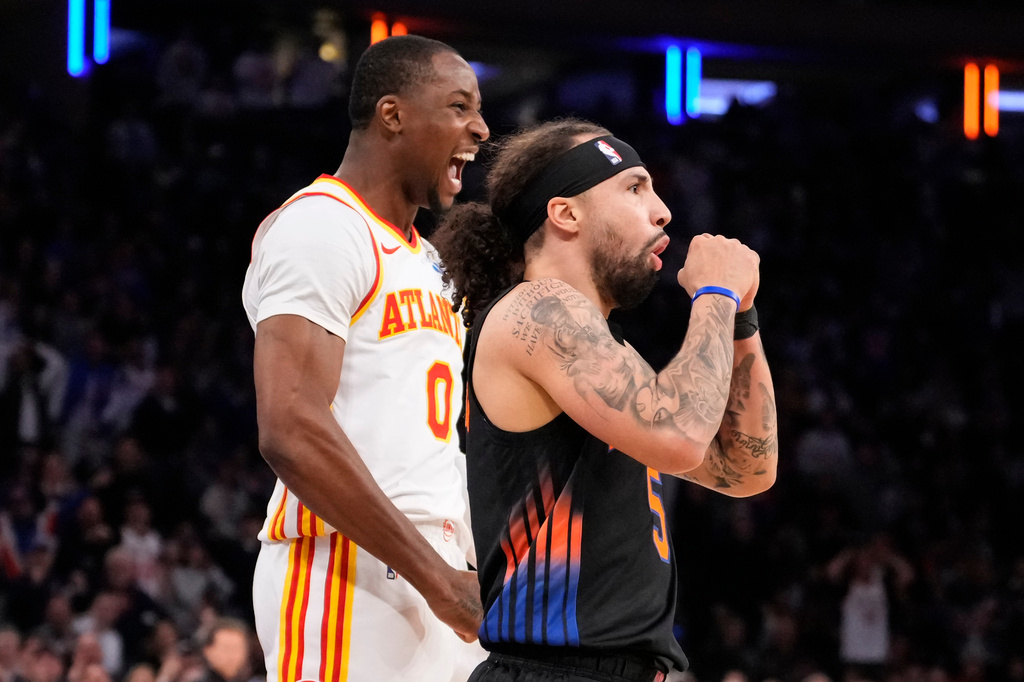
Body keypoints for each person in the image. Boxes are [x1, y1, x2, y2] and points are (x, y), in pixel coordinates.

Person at [431, 119, 779, 681]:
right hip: (557, 668)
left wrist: (740, 318)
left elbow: (747, 468)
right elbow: (681, 434)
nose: (662, 210)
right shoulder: (537, 310)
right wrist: (714, 294)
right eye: (636, 187)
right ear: (566, 213)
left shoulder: (609, 353)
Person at [241, 34, 490, 681]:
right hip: (343, 565)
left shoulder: (428, 261)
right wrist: (437, 579)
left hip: (436, 564)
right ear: (393, 114)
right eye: (460, 107)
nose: (481, 128)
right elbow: (290, 427)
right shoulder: (321, 225)